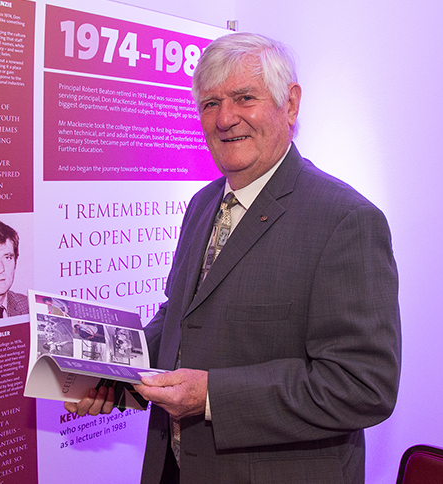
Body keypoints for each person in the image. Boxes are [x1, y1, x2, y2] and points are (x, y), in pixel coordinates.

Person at [66, 32, 401, 484]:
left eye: (244, 98)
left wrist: (211, 397)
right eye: (210, 103)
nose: (225, 119)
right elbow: (179, 318)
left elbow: (363, 385)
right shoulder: (202, 204)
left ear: (291, 104)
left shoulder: (345, 220)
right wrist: (112, 372)